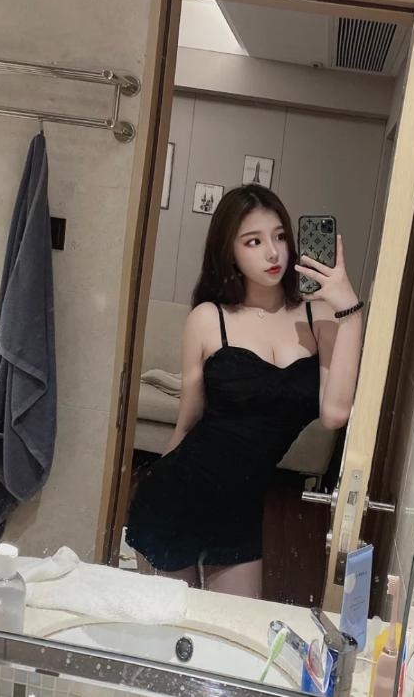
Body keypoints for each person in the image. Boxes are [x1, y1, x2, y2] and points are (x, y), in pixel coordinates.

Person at [126, 184, 364, 598]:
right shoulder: (208, 318)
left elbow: (335, 413)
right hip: (176, 496)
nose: (273, 253)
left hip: (242, 510)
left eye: (279, 236)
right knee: (168, 627)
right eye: (253, 241)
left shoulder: (321, 317)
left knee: (236, 632)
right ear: (229, 252)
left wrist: (351, 311)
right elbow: (188, 423)